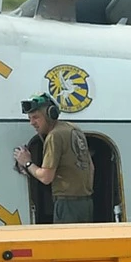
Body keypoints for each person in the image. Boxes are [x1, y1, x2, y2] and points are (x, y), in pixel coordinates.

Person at [13, 92, 94, 223]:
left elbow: (46, 177)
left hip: (66, 205)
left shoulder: (54, 136)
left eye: (36, 117)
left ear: (51, 115)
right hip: (86, 203)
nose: (32, 122)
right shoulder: (74, 129)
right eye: (30, 118)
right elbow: (91, 167)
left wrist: (27, 163)